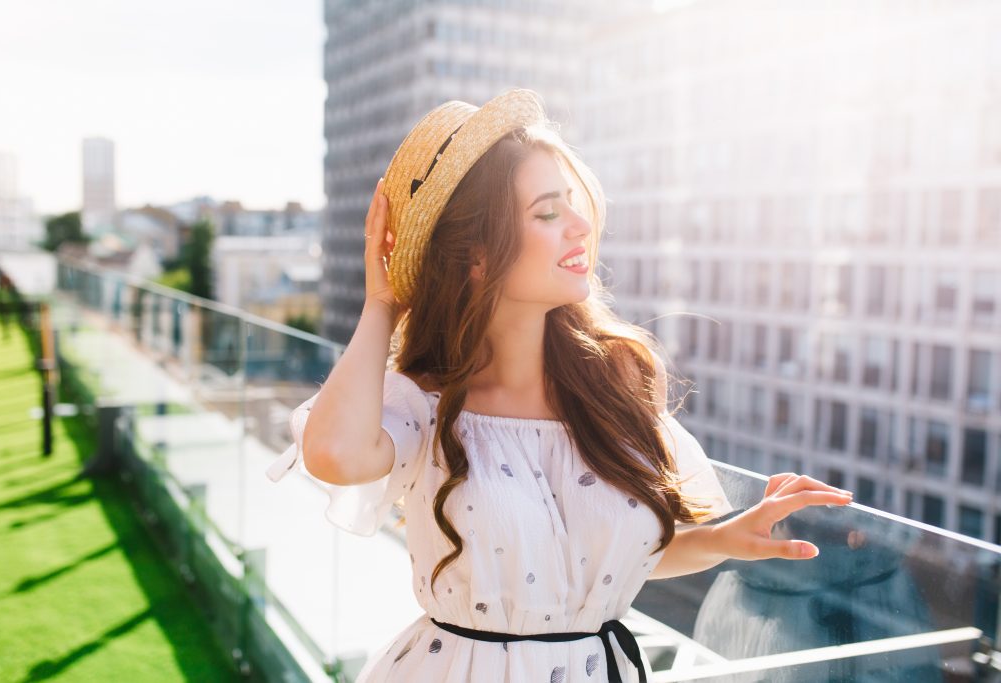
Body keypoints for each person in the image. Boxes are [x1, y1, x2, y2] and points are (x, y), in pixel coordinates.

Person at [266, 88, 853, 682]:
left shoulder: (614, 384)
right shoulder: (425, 403)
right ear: (476, 255)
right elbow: (336, 454)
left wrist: (727, 538)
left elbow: (611, 566)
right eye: (547, 213)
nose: (580, 226)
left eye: (573, 205)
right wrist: (382, 303)